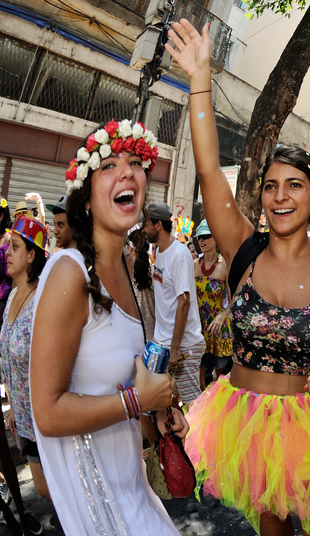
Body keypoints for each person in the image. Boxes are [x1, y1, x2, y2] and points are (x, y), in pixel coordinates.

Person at [168, 18, 310, 536]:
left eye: (294, 185)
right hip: (249, 426)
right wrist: (200, 78)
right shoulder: (240, 246)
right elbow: (206, 169)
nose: (280, 195)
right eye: (270, 186)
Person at [30, 118, 185, 534]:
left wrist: (159, 408)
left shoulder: (125, 266)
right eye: (109, 164)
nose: (127, 171)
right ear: (85, 197)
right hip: (98, 507)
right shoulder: (69, 271)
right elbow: (47, 412)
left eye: (136, 162)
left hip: (131, 487)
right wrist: (137, 401)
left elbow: (116, 380)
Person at [0, 216, 49, 534]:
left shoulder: (41, 303)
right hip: (23, 416)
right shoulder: (11, 299)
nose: (7, 251)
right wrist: (14, 406)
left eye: (15, 246)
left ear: (32, 255)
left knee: (52, 489)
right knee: (48, 489)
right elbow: (7, 357)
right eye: (7, 245)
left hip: (46, 418)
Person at [143, 201, 206, 405]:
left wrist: (176, 349)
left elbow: (184, 302)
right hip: (165, 343)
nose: (143, 229)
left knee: (192, 408)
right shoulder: (159, 253)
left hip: (183, 346)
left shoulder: (179, 254)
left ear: (158, 225)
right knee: (162, 405)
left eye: (146, 224)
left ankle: (199, 439)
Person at [192, 220, 233, 388]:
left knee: (221, 382)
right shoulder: (194, 265)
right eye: (199, 237)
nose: (202, 241)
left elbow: (234, 300)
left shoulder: (224, 266)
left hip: (218, 330)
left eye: (206, 237)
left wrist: (222, 316)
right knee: (201, 381)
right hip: (198, 329)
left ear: (216, 238)